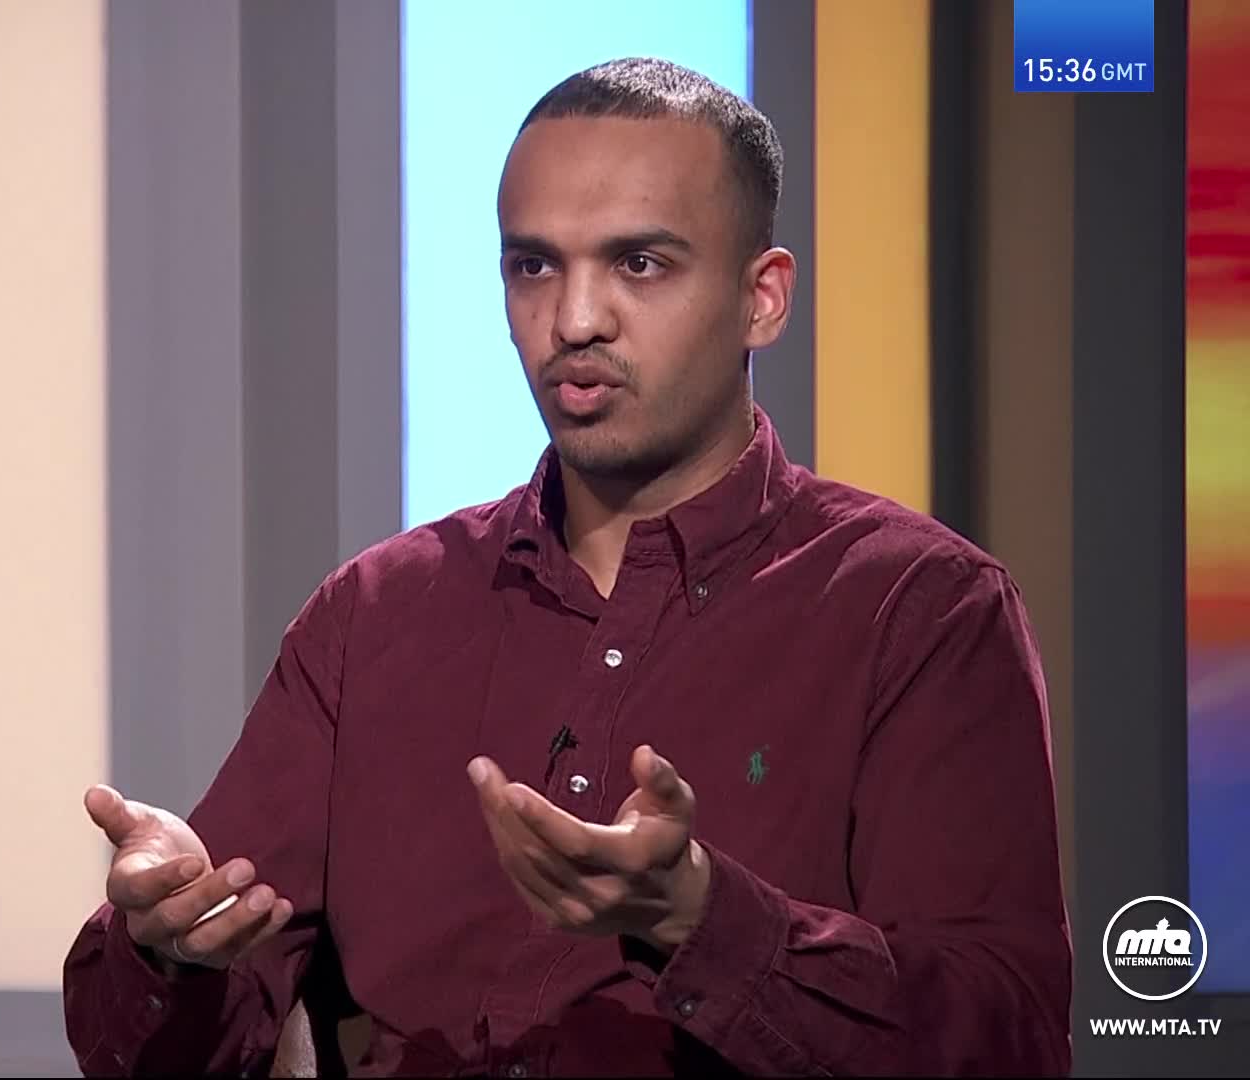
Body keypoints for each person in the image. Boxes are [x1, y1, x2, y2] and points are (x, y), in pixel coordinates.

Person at [62, 57, 1072, 1077]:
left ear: (762, 298)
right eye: (535, 266)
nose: (576, 320)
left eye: (639, 263)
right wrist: (165, 950)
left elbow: (1006, 1039)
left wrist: (702, 918)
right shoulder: (376, 613)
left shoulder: (918, 608)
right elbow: (175, 1043)